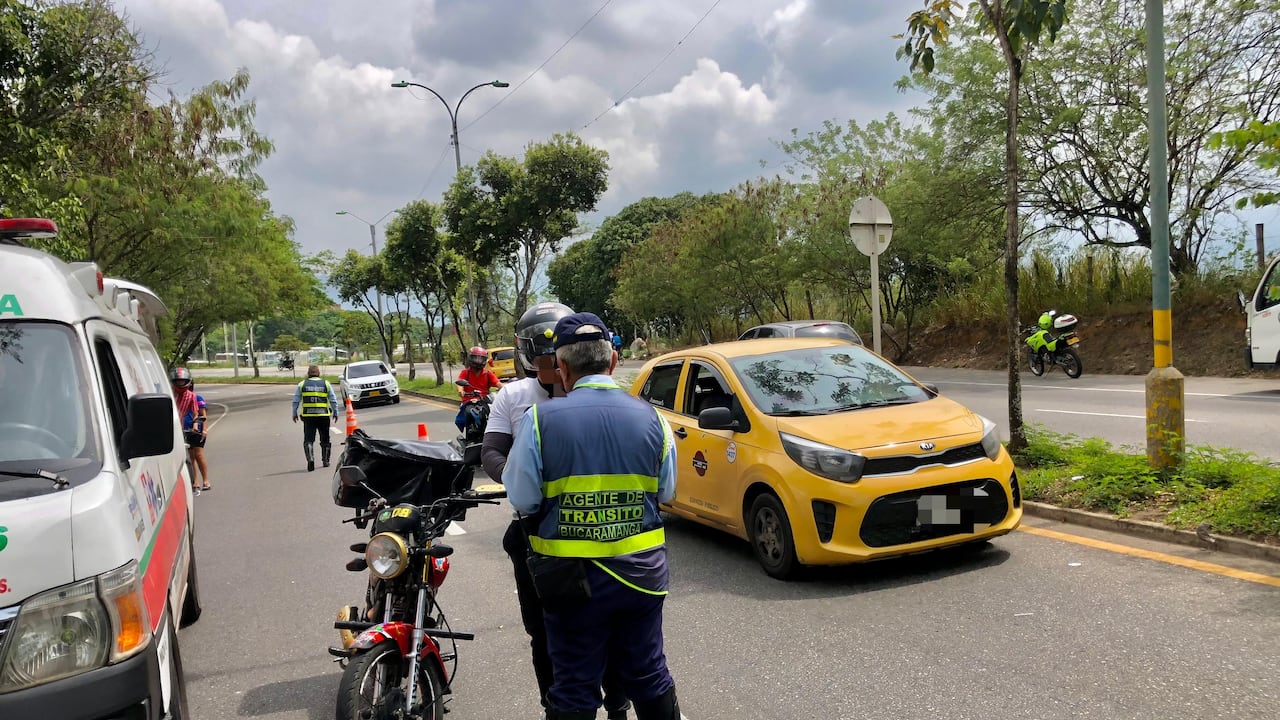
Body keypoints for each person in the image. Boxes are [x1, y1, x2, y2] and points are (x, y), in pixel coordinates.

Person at [504, 312, 681, 720]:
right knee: (649, 674)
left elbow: (524, 499)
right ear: (613, 360)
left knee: (574, 686)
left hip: (572, 581)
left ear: (562, 368)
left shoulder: (539, 421)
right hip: (641, 576)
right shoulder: (652, 417)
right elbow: (667, 492)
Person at [482, 303, 632, 720]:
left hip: (600, 525)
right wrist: (517, 475)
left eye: (558, 353)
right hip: (536, 535)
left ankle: (617, 700)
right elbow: (492, 451)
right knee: (544, 632)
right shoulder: (515, 397)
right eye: (545, 354)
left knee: (613, 627)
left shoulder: (600, 394)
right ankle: (556, 704)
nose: (552, 362)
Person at [292, 364, 340, 472]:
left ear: (308, 374)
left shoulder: (302, 384)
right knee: (325, 439)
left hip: (308, 417)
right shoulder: (326, 384)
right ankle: (326, 460)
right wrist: (336, 412)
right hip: (323, 416)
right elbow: (333, 400)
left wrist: (294, 413)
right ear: (318, 373)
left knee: (308, 439)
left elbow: (296, 400)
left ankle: (311, 459)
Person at [171, 367, 210, 494]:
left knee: (198, 454)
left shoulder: (194, 397)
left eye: (183, 381)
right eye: (178, 381)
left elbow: (198, 414)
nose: (180, 384)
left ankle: (205, 480)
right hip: (179, 430)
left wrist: (200, 428)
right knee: (189, 457)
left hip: (194, 431)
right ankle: (195, 481)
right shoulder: (171, 396)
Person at [455, 345, 503, 431]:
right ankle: (470, 431)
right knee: (466, 414)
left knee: (497, 414)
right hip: (469, 401)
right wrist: (461, 391)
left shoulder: (488, 374)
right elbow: (460, 383)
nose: (478, 361)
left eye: (481, 358)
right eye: (476, 358)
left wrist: (507, 389)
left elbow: (498, 383)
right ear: (470, 358)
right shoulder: (465, 373)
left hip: (485, 400)